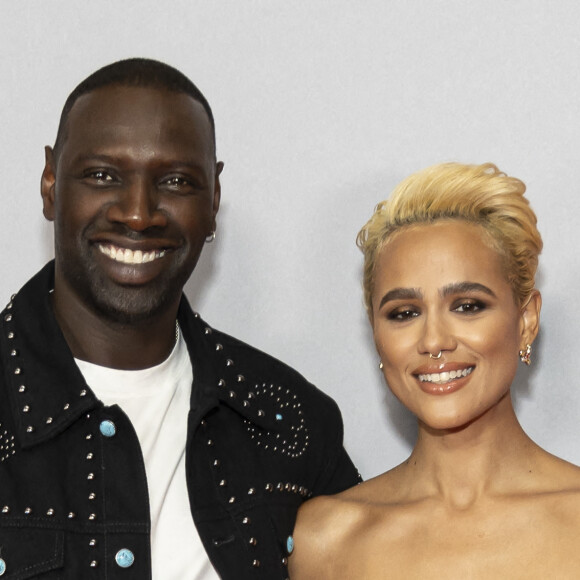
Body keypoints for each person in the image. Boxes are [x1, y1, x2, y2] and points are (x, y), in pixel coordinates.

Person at [0, 58, 360, 579]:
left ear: (213, 198)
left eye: (175, 181)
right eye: (103, 175)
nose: (139, 214)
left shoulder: (290, 422)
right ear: (51, 184)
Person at [289, 162, 580, 579]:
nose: (433, 340)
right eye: (404, 313)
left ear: (527, 320)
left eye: (467, 306)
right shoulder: (325, 539)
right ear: (376, 334)